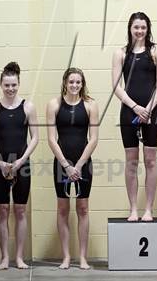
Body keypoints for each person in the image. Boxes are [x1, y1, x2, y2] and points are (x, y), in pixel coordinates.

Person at [0, 62, 39, 270]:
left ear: (18, 84)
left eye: (14, 85)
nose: (11, 89)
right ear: (1, 84)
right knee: (3, 210)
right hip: (0, 163)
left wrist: (20, 161)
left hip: (21, 164)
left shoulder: (28, 107)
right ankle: (5, 257)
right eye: (7, 85)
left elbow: (35, 138)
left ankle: (19, 257)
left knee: (21, 210)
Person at [112, 12, 157, 221]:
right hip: (129, 111)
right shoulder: (120, 53)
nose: (140, 31)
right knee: (131, 162)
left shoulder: (156, 51)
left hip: (152, 112)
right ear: (130, 28)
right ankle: (134, 208)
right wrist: (135, 107)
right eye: (136, 27)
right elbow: (116, 86)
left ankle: (149, 209)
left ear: (148, 28)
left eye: (143, 27)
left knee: (151, 160)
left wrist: (149, 108)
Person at [47, 67, 99, 270]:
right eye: (71, 82)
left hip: (83, 164)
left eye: (78, 82)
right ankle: (66, 256)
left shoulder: (90, 105)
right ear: (65, 83)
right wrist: (66, 165)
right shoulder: (54, 104)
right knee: (62, 209)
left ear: (82, 83)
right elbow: (51, 139)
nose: (75, 85)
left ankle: (83, 258)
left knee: (83, 208)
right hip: (62, 164)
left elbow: (94, 139)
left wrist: (78, 165)